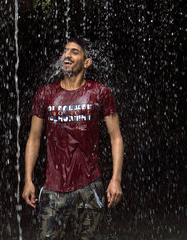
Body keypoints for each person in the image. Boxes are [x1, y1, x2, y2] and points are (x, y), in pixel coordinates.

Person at [22, 37, 124, 240]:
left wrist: (116, 180)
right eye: (65, 51)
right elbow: (34, 138)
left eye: (74, 52)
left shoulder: (100, 93)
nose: (67, 55)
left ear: (87, 62)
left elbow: (116, 138)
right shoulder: (45, 94)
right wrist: (28, 179)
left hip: (89, 185)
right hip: (53, 187)